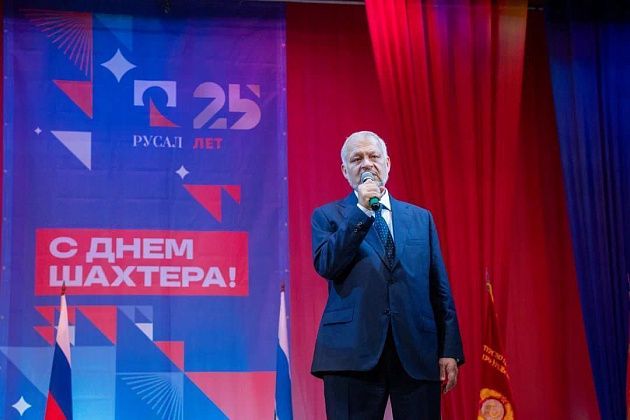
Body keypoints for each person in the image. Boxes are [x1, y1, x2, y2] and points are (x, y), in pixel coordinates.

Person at [311, 131, 464, 419]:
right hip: (351, 353)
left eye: (373, 156)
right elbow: (327, 264)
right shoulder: (328, 216)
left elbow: (438, 287)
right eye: (357, 159)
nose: (366, 164)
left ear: (388, 163)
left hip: (416, 350)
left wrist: (449, 349)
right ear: (345, 170)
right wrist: (361, 211)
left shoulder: (420, 219)